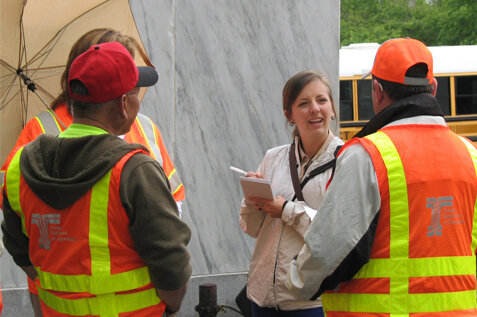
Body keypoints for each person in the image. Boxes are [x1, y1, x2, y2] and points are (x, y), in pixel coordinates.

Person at [0, 28, 186, 316]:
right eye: (134, 89)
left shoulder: (20, 165)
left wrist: (56, 285)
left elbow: (16, 240)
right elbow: (171, 259)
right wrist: (171, 303)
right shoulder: (134, 167)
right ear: (123, 104)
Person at [286, 38, 477, 316]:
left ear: (376, 90)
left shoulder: (368, 156)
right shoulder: (471, 156)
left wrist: (295, 282)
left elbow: (327, 251)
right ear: (433, 89)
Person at [240, 71, 343, 317]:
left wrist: (286, 210)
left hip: (312, 303)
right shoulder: (273, 158)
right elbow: (252, 229)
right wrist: (253, 200)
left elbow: (336, 234)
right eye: (303, 103)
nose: (314, 109)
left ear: (332, 108)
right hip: (263, 298)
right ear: (289, 115)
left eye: (321, 100)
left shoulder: (347, 159)